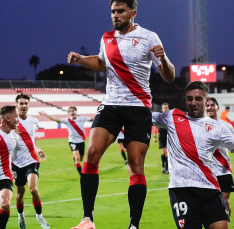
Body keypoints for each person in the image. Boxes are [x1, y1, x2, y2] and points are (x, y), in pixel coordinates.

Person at [67, 0, 175, 228]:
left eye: (120, 11)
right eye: (112, 11)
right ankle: (88, 219)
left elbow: (169, 76)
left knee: (136, 165)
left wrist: (163, 58)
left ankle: (134, 224)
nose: (115, 15)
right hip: (111, 105)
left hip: (138, 107)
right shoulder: (107, 38)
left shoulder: (149, 37)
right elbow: (100, 62)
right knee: (92, 155)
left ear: (133, 12)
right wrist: (80, 60)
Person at [152, 81, 234, 229]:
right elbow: (140, 115)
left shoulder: (218, 127)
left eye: (198, 98)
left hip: (210, 189)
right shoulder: (172, 117)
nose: (193, 103)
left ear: (206, 100)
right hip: (181, 190)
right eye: (189, 98)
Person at [12, 93, 50, 229]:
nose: (23, 106)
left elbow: (32, 139)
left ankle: (39, 216)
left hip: (32, 160)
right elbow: (6, 141)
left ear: (28, 105)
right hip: (16, 162)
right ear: (16, 105)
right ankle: (21, 216)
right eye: (21, 103)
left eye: (25, 103)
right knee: (20, 193)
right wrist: (11, 135)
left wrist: (38, 149)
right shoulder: (11, 122)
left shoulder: (34, 121)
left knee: (33, 189)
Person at [39, 107, 92, 175]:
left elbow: (92, 119)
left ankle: (74, 158)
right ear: (69, 113)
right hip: (72, 141)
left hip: (81, 141)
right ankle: (82, 175)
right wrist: (46, 114)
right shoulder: (67, 120)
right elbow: (55, 119)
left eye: (73, 110)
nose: (72, 112)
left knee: (81, 158)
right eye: (70, 111)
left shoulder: (81, 118)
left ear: (76, 111)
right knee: (77, 158)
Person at [206, 97, 234, 217]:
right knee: (209, 204)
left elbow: (233, 147)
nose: (210, 107)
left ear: (217, 108)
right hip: (207, 171)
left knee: (224, 201)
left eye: (212, 105)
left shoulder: (226, 126)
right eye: (207, 105)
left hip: (224, 170)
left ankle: (225, 223)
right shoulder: (197, 126)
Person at [153, 103, 169, 174]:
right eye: (163, 108)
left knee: (167, 153)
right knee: (163, 152)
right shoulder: (159, 117)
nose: (165, 109)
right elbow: (155, 127)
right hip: (161, 136)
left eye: (166, 108)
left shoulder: (170, 117)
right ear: (162, 109)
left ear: (168, 108)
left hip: (168, 137)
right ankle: (163, 167)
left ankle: (167, 168)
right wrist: (155, 137)